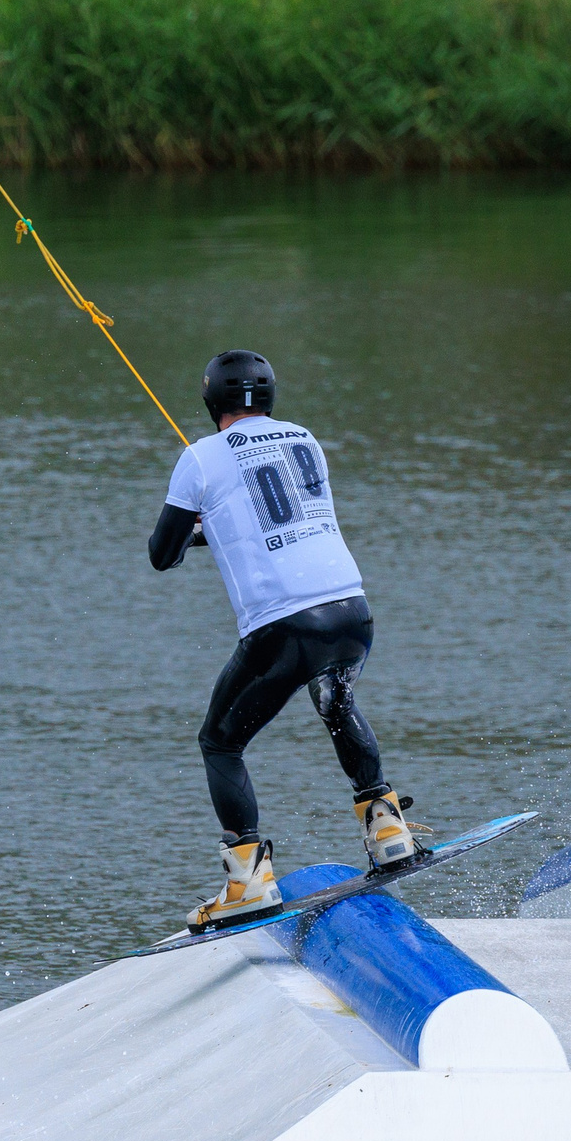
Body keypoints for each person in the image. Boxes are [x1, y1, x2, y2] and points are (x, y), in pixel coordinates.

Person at [149, 349, 422, 929]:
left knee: (220, 742)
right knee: (335, 698)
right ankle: (387, 829)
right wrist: (216, 527)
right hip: (351, 612)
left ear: (209, 402)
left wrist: (195, 531)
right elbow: (283, 520)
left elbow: (160, 554)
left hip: (285, 625)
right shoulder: (305, 438)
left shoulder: (198, 459)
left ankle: (248, 880)